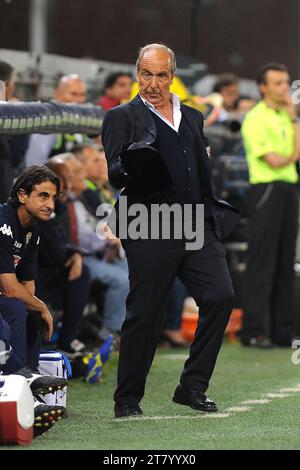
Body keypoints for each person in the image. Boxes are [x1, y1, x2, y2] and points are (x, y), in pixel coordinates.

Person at [102, 43, 239, 418]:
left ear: (172, 77)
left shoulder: (193, 117)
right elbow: (115, 173)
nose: (153, 82)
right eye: (146, 73)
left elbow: (200, 166)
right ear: (137, 74)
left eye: (161, 75)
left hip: (196, 224)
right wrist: (132, 164)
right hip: (149, 224)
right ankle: (127, 400)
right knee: (146, 313)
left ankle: (192, 386)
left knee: (221, 296)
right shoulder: (121, 118)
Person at [0, 166, 68, 433]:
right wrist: (42, 306)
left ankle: (29, 378)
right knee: (17, 309)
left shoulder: (32, 231)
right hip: (5, 296)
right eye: (43, 196)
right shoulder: (3, 222)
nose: (50, 205)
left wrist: (39, 308)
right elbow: (9, 287)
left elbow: (27, 285)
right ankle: (23, 383)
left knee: (30, 312)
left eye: (53, 198)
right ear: (22, 195)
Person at [241, 63, 300, 348]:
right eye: (277, 83)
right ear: (263, 87)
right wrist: (291, 152)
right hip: (267, 189)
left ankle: (282, 331)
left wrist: (294, 121)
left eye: (286, 82)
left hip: (289, 189)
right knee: (262, 262)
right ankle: (254, 331)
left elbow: (293, 156)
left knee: (285, 262)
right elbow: (275, 160)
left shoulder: (286, 117)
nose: (284, 88)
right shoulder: (256, 118)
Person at [36, 157, 91, 358]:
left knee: (81, 269)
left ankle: (68, 340)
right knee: (81, 273)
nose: (66, 185)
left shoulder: (57, 207)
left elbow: (61, 246)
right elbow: (57, 253)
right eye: (61, 179)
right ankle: (66, 342)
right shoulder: (44, 208)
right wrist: (75, 254)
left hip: (35, 276)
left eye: (69, 178)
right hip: (25, 281)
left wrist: (75, 253)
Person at [25, 74, 89, 166]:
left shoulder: (81, 120)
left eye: (82, 94)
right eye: (73, 94)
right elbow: (34, 164)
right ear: (58, 93)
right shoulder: (48, 120)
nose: (78, 99)